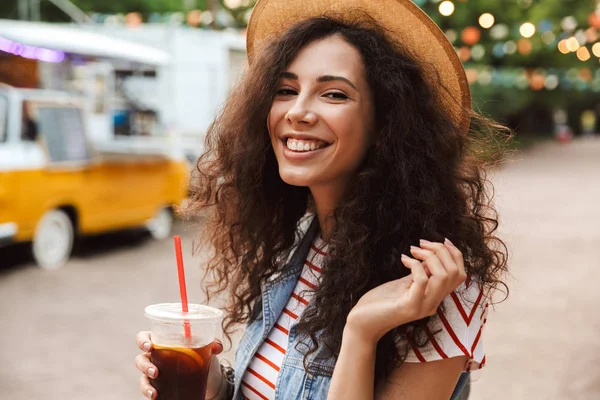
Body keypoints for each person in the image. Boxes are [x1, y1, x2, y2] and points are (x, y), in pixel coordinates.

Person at [135, 1, 509, 399]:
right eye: (286, 90)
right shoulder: (299, 238)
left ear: (386, 123)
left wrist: (362, 331)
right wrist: (208, 381)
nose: (298, 111)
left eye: (333, 94)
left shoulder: (433, 283)